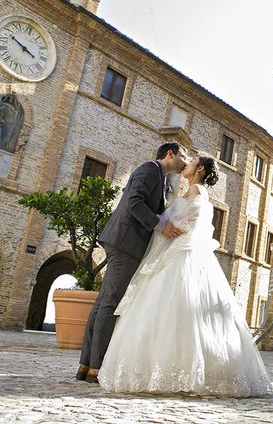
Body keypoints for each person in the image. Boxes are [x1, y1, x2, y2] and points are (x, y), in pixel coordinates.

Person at [98, 154, 271, 397]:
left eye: (191, 161)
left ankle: (173, 372)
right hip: (179, 254)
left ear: (199, 169)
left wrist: (165, 222)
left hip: (182, 257)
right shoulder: (194, 192)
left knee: (174, 312)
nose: (186, 163)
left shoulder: (197, 193)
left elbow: (191, 225)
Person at [77, 142, 188, 384]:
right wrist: (161, 225)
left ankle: (87, 366)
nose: (185, 161)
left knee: (103, 302)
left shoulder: (160, 177)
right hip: (125, 242)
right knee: (110, 302)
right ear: (170, 154)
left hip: (124, 242)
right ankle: (96, 367)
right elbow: (134, 202)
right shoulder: (149, 169)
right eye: (183, 156)